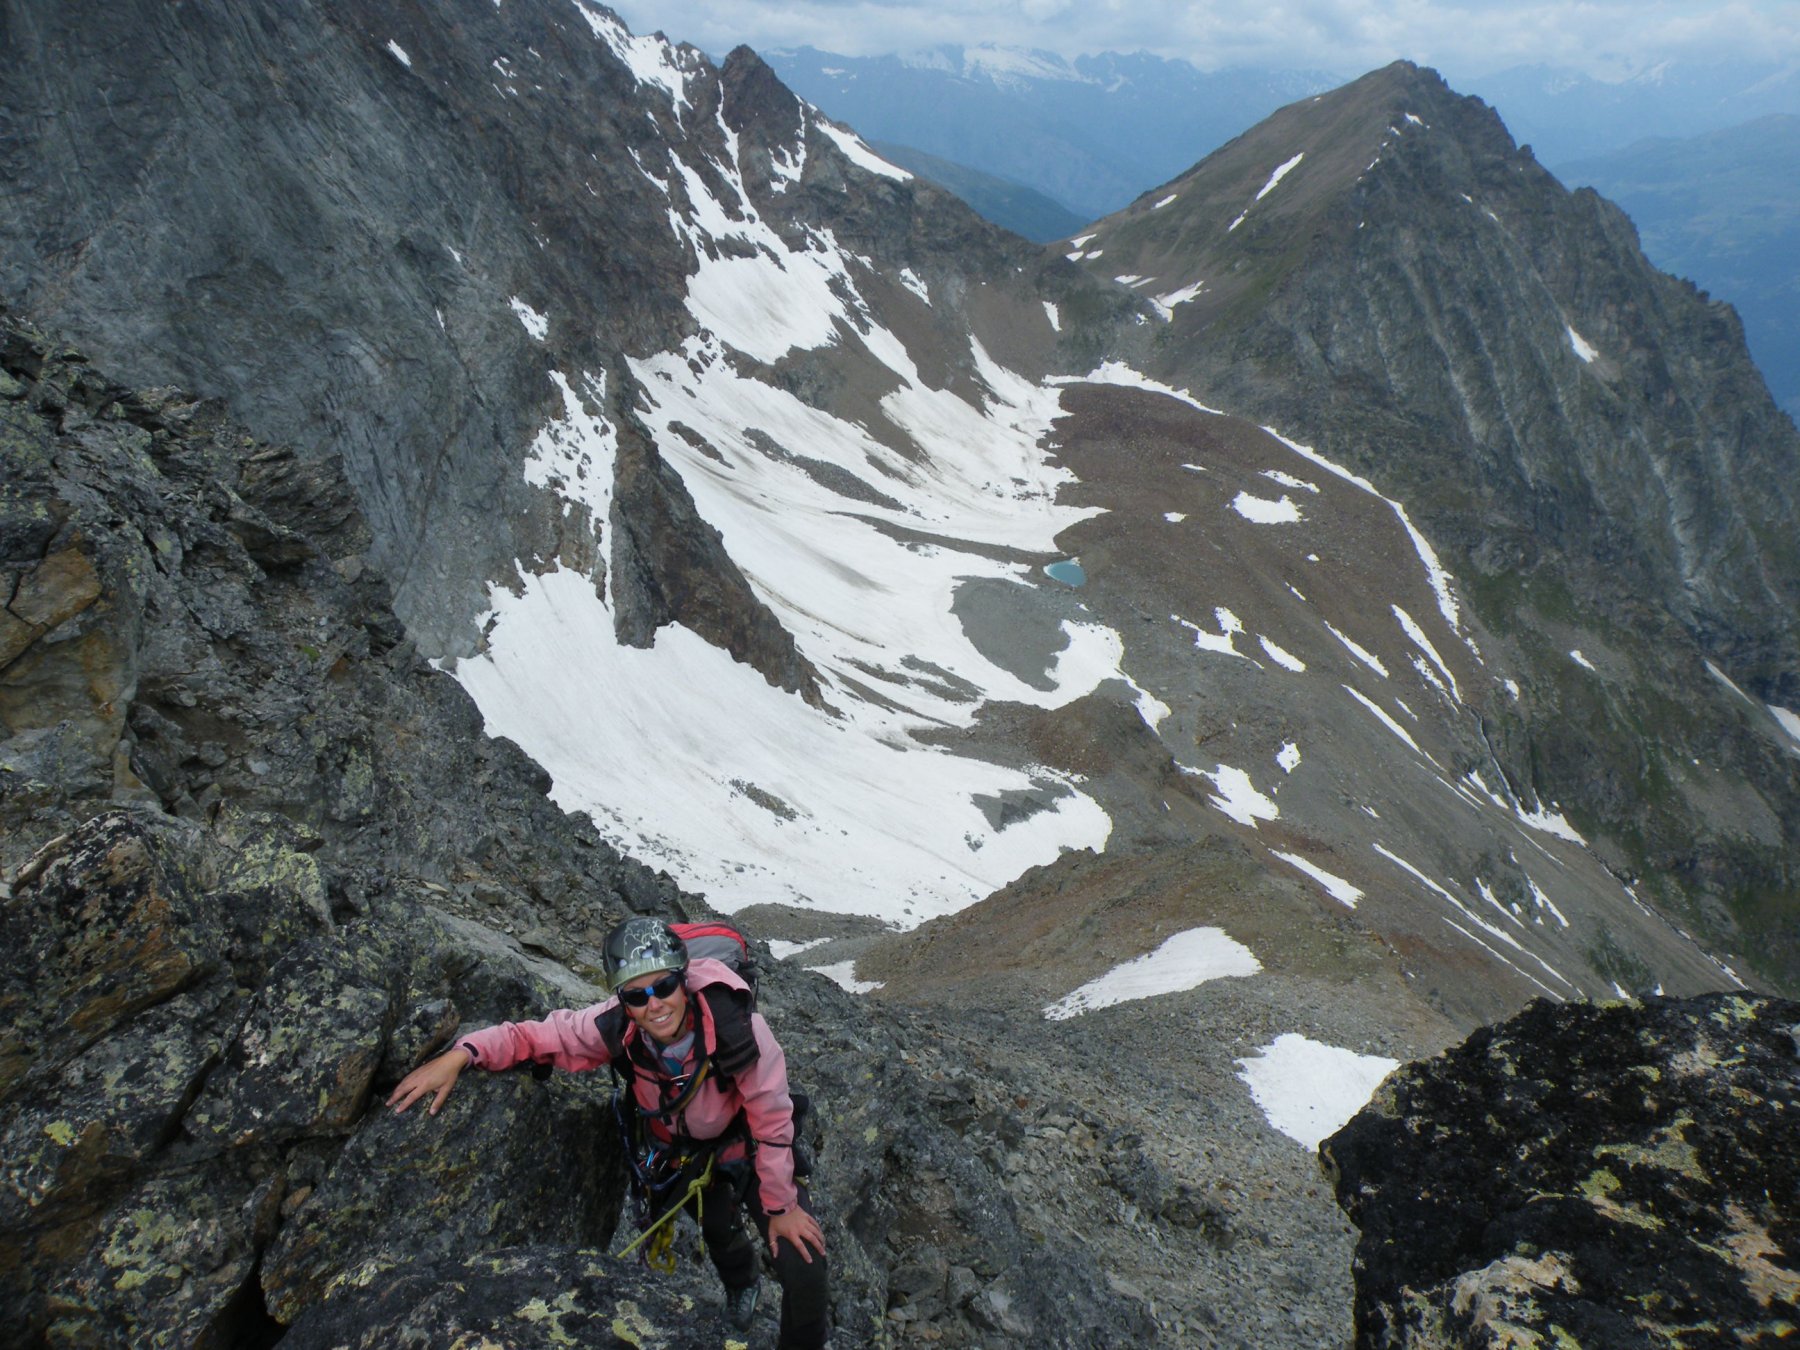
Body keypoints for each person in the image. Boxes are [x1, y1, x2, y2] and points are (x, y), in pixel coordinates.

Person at [388, 917, 830, 1348]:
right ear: (623, 999)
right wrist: (463, 1053)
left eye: (664, 987)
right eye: (637, 996)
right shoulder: (615, 1026)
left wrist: (781, 1206)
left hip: (747, 1143)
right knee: (715, 1224)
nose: (654, 1005)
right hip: (681, 1151)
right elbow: (535, 1037)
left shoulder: (740, 1030)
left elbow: (772, 1122)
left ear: (684, 979)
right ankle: (742, 1286)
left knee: (804, 1263)